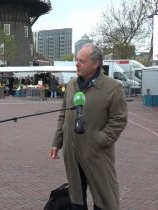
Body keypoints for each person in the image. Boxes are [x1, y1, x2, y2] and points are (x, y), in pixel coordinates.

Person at [49, 44, 127, 210]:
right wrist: (57, 142)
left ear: (95, 63)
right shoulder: (71, 85)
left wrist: (99, 140)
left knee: (105, 198)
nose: (77, 64)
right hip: (72, 151)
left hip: (96, 153)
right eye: (76, 60)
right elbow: (63, 116)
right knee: (76, 198)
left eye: (82, 61)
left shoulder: (113, 87)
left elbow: (119, 119)